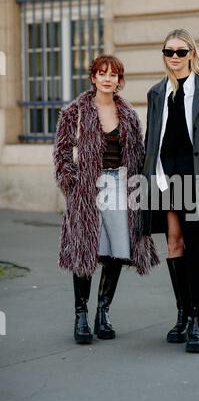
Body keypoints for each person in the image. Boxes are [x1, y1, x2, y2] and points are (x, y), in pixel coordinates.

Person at [142, 29, 199, 353]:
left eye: (181, 52)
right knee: (174, 242)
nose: (175, 57)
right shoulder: (157, 93)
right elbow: (152, 138)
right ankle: (182, 312)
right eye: (169, 51)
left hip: (195, 175)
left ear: (192, 54)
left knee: (194, 244)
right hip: (165, 176)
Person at [53, 54, 159, 344]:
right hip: (88, 188)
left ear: (119, 80)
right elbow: (62, 152)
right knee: (85, 250)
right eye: (102, 73)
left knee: (117, 249)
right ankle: (81, 316)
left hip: (121, 186)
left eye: (113, 74)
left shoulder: (127, 114)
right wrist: (71, 182)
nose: (108, 78)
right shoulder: (74, 112)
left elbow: (137, 153)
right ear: (93, 77)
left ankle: (103, 312)